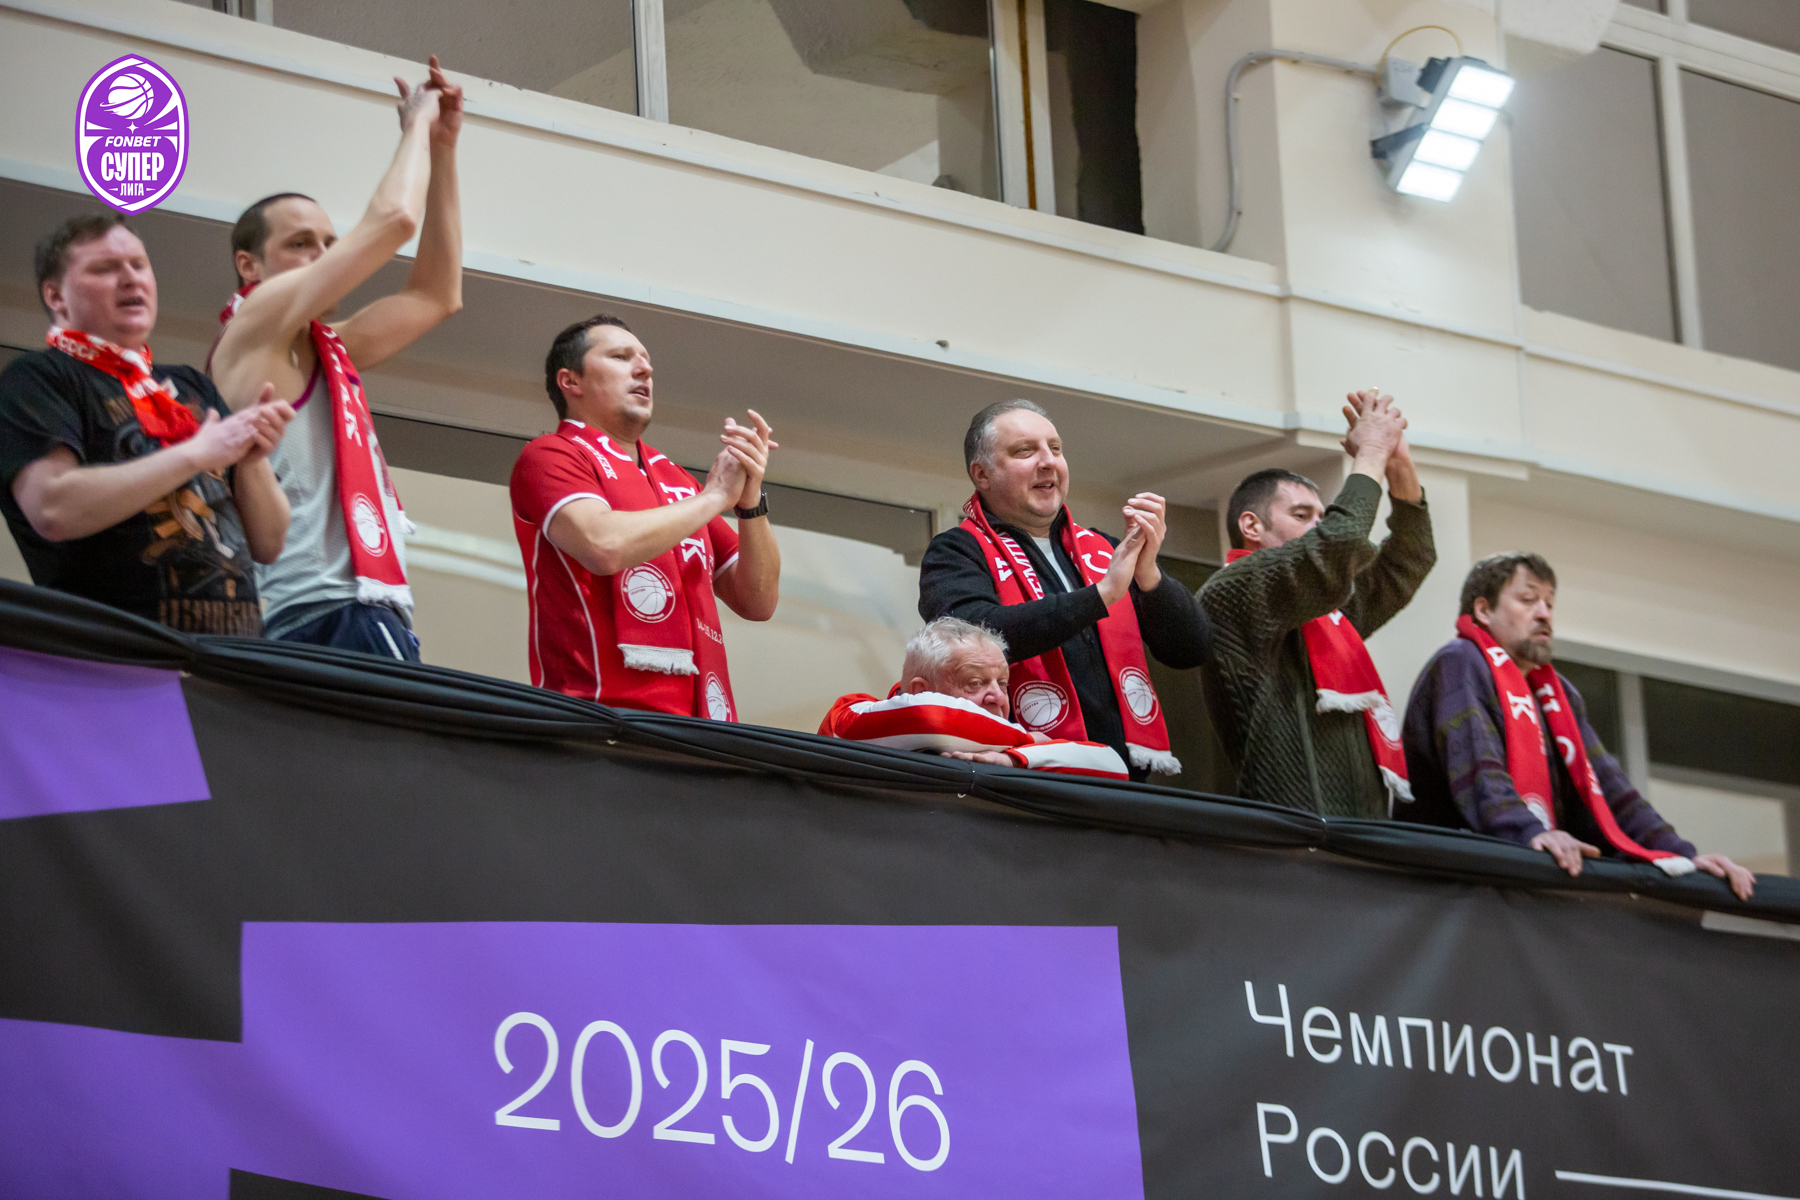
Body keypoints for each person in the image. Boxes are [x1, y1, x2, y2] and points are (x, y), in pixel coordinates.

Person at [209, 57, 464, 661]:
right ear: (249, 266)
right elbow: (395, 219)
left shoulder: (327, 348)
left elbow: (437, 295)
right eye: (300, 243)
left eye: (329, 241)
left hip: (338, 612)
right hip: (322, 613)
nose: (322, 255)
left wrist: (443, 148)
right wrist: (416, 124)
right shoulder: (254, 326)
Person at [0, 213, 293, 633]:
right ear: (56, 296)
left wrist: (252, 458)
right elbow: (53, 509)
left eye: (139, 265)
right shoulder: (38, 379)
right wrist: (195, 455)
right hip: (117, 654)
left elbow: (269, 544)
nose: (131, 279)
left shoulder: (192, 384)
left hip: (234, 658)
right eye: (105, 268)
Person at [1402, 553, 1755, 900]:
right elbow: (1479, 771)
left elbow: (1610, 790)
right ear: (1483, 610)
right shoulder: (1460, 661)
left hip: (1520, 889)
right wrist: (1529, 832)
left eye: (1549, 603)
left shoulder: (1559, 696)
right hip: (1444, 892)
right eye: (1528, 599)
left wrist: (1681, 856)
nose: (1544, 613)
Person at [915, 400, 1211, 782]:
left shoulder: (1104, 550)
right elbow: (974, 636)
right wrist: (1101, 595)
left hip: (1124, 780)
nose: (1048, 461)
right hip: (1019, 777)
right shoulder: (955, 550)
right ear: (982, 474)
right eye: (1025, 451)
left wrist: (1149, 575)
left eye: (1055, 448)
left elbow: (1193, 649)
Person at [508, 315, 780, 719]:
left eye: (646, 361)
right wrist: (716, 496)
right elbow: (603, 544)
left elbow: (758, 601)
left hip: (701, 730)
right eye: (621, 357)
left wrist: (750, 501)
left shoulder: (678, 482)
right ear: (571, 381)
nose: (644, 369)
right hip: (595, 718)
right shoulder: (552, 454)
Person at [1198, 390, 1435, 816]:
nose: (1318, 527)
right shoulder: (1232, 592)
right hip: (1289, 832)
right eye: (1302, 515)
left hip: (1360, 835)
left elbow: (1410, 559)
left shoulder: (1329, 610)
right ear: (1251, 525)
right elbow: (1341, 541)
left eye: (1322, 517)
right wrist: (1372, 451)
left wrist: (1398, 464)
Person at [819, 617, 1130, 779]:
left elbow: (1113, 765)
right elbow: (931, 718)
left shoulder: (1007, 747)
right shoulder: (851, 712)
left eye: (1003, 683)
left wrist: (1011, 759)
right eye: (976, 682)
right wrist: (1028, 741)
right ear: (919, 690)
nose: (997, 697)